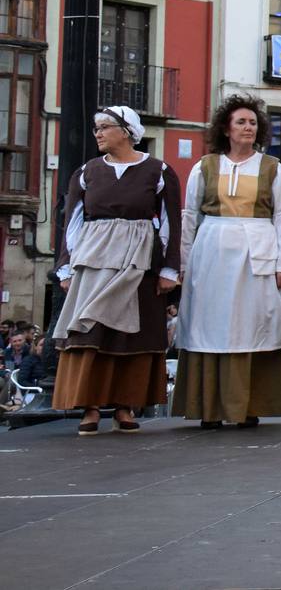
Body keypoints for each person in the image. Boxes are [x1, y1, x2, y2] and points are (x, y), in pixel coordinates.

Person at [48, 106, 181, 434]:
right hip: (94, 257)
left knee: (131, 335)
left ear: (126, 131)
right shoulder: (87, 171)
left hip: (139, 260)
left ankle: (125, 406)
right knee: (90, 331)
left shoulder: (159, 171)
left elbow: (170, 223)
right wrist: (66, 267)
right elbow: (73, 222)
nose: (98, 133)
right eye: (97, 128)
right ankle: (89, 407)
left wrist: (168, 269)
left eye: (105, 127)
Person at [173, 95, 281, 428]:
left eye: (253, 122)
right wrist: (183, 262)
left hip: (256, 251)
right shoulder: (206, 166)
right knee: (210, 323)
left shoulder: (273, 167)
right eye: (241, 121)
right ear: (226, 128)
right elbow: (189, 215)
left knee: (252, 324)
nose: (248, 127)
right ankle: (209, 407)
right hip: (212, 251)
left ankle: (247, 405)